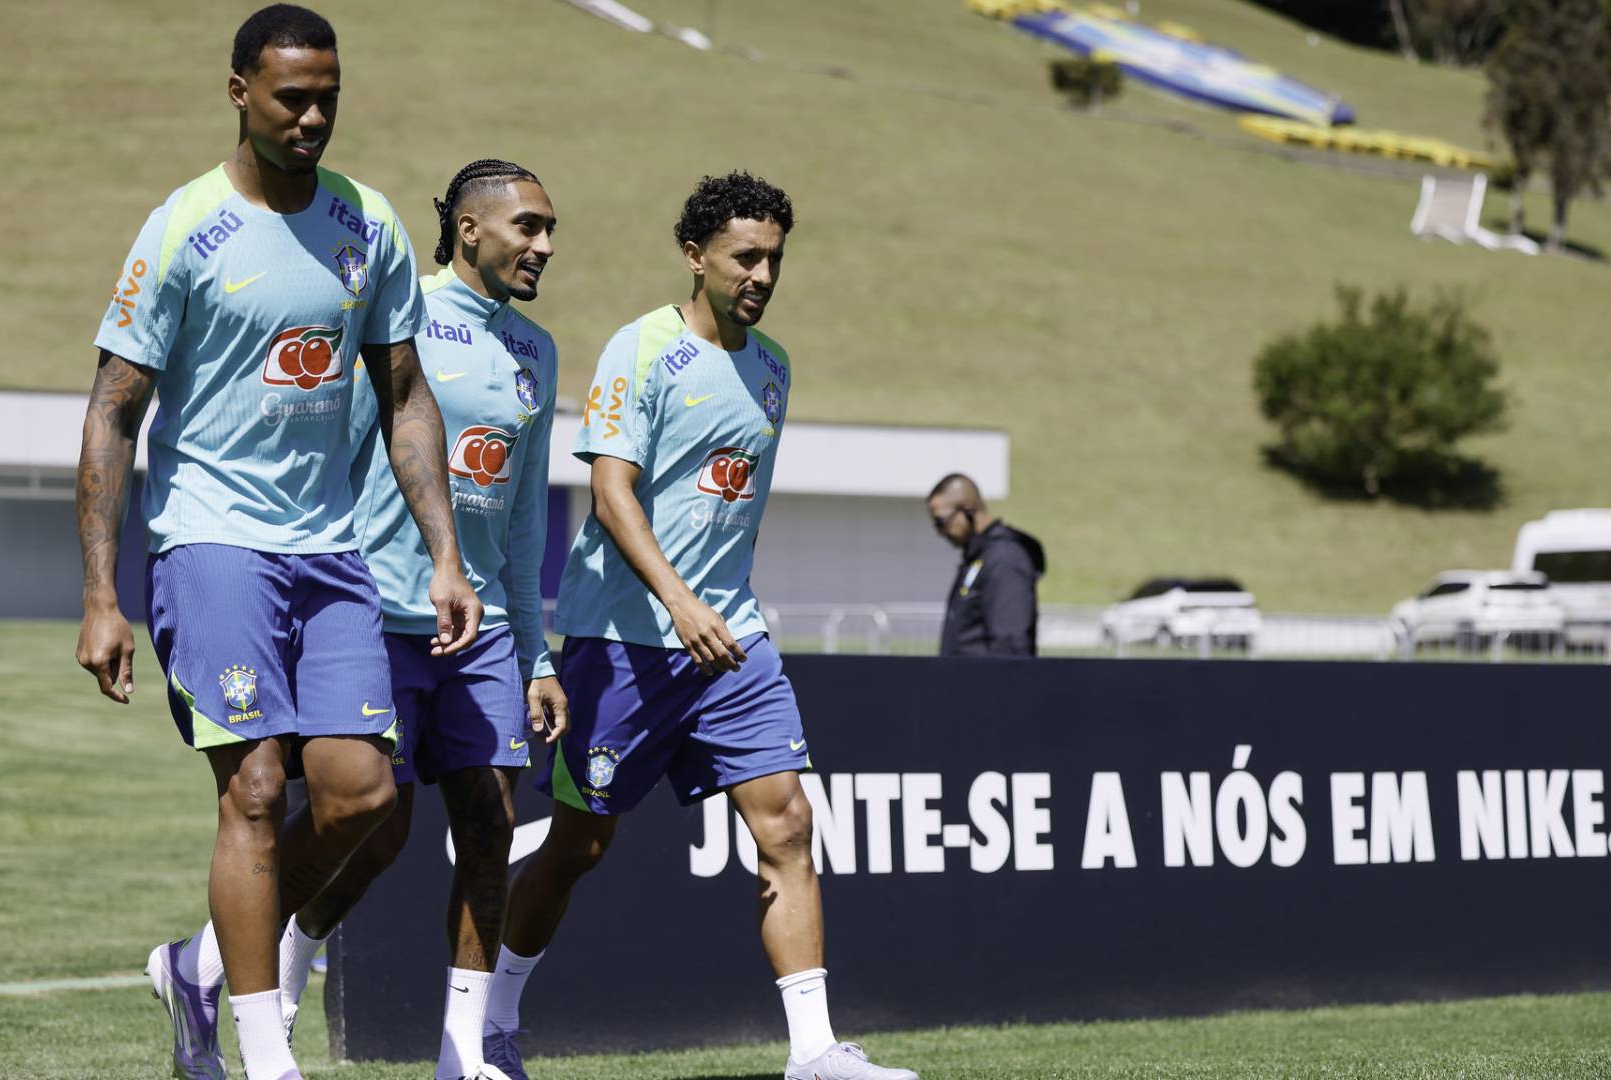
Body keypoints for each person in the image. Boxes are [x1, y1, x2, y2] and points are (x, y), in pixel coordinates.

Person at [72, 8, 480, 1080]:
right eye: (292, 97)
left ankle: (201, 964)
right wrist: (102, 596)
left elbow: (405, 395)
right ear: (239, 92)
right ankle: (267, 1054)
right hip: (210, 542)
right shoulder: (182, 227)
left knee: (361, 797)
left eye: (327, 98)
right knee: (254, 789)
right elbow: (114, 412)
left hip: (331, 553)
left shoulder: (369, 223)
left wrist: (444, 554)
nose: (311, 116)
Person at [480, 173, 918, 1080]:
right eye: (745, 257)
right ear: (696, 256)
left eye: (775, 259)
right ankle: (494, 1020)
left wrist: (714, 609)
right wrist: (680, 602)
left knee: (788, 824)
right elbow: (611, 494)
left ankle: (814, 1053)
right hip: (623, 642)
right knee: (579, 845)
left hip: (731, 643)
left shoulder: (774, 368)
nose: (763, 275)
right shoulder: (640, 348)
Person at [148, 159, 570, 1080]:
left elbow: (526, 517)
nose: (544, 245)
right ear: (468, 229)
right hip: (373, 606)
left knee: (491, 822)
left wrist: (536, 652)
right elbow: (326, 451)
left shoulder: (536, 351)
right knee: (372, 827)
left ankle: (464, 1055)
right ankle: (238, 961)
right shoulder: (394, 309)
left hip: (480, 623)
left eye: (550, 231)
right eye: (528, 227)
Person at [927, 473, 1046, 657]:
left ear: (967, 508)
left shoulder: (1005, 559)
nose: (940, 532)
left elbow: (1011, 647)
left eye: (941, 521)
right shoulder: (978, 558)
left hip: (986, 676)